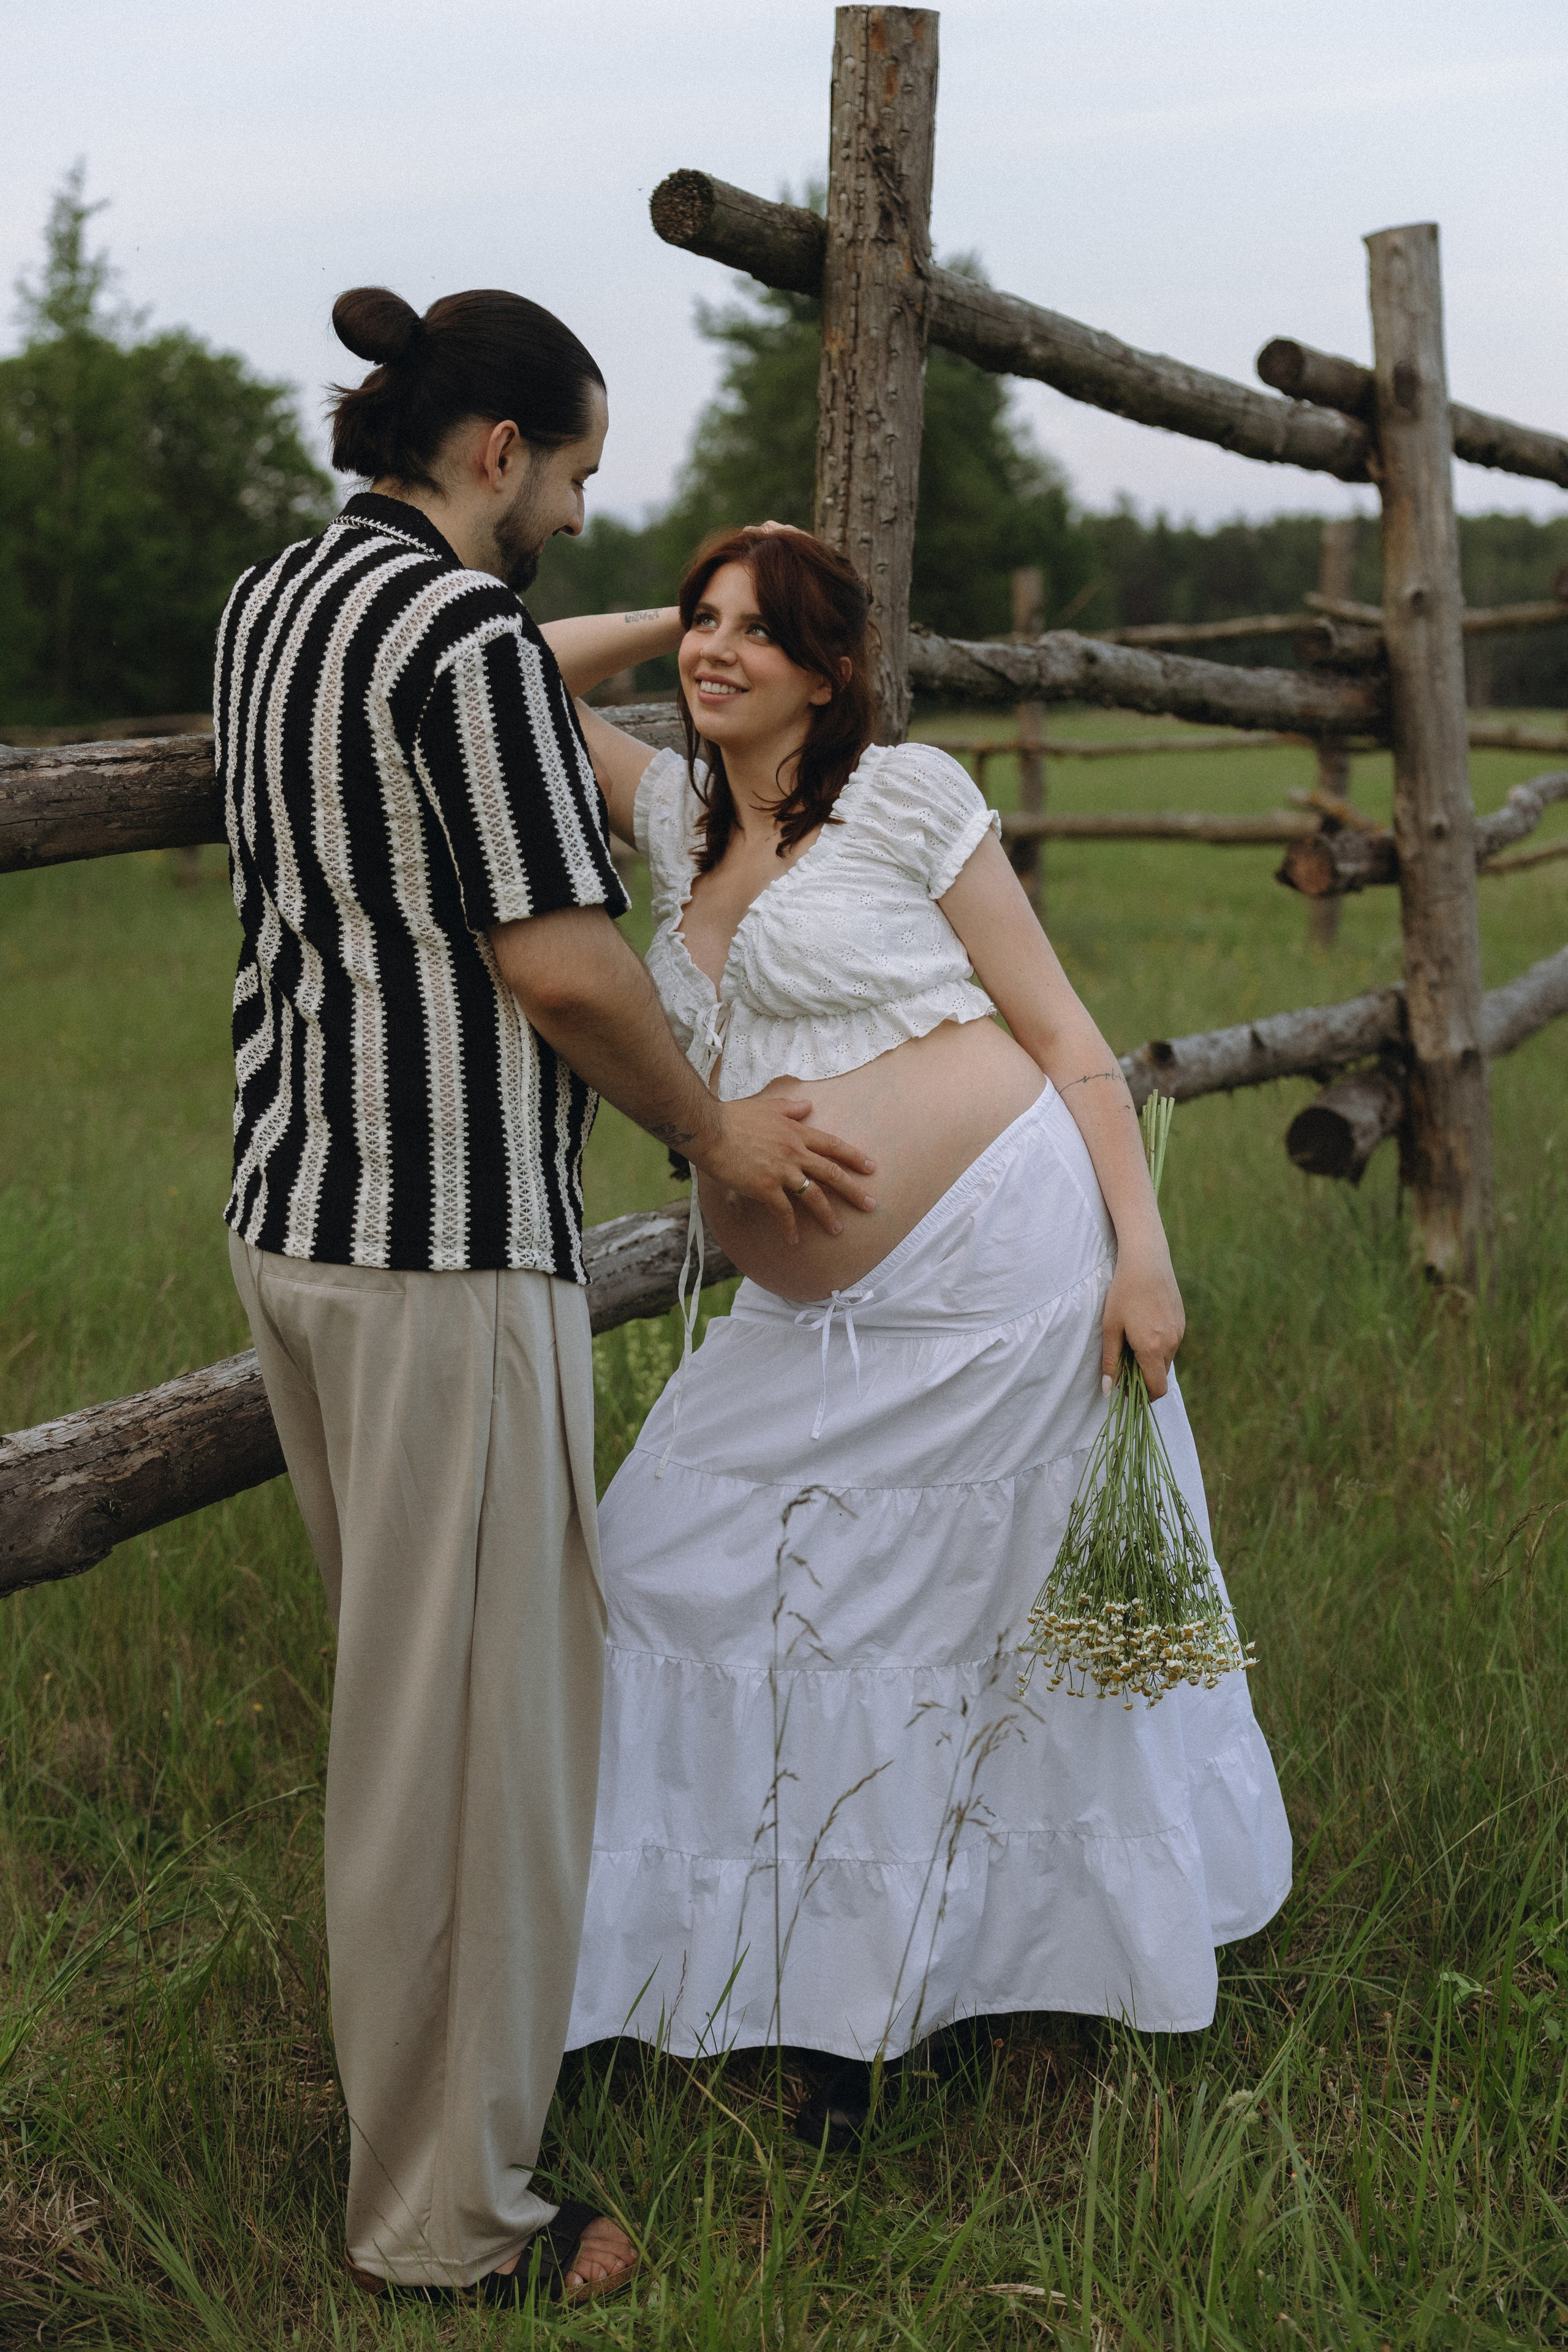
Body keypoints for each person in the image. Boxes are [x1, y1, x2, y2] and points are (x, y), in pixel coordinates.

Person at [217, 295, 876, 2299]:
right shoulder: (466, 649)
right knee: (472, 1755)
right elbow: (570, 970)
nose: (586, 516)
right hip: (441, 1246)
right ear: (497, 449)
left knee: (407, 1720)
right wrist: (721, 1141)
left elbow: (502, 658)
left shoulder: (284, 601)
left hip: (295, 1221)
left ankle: (430, 2137)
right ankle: (453, 2219)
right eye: (579, 475)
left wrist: (577, 643)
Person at [562, 525, 1292, 2142]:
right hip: (806, 1321)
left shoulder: (909, 797)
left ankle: (868, 2033)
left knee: (963, 1626)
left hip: (996, 1270)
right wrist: (663, 615)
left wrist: (1144, 1250)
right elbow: (513, 679)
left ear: (834, 670)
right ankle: (754, 1967)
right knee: (657, 1560)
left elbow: (1062, 1028)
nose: (712, 651)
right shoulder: (672, 816)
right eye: (701, 624)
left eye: (757, 631)